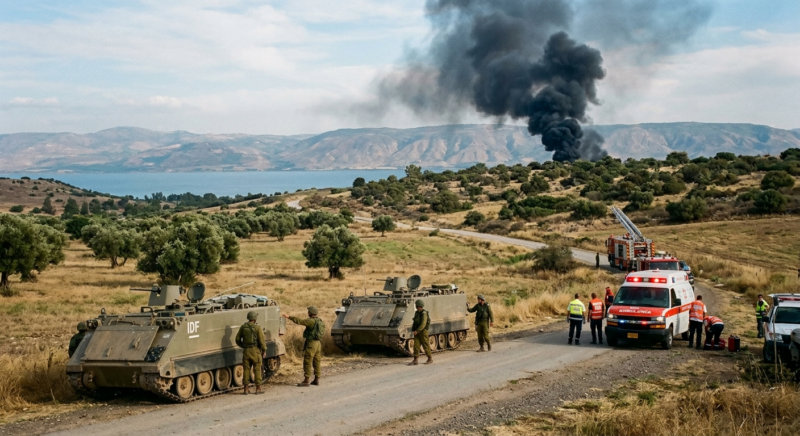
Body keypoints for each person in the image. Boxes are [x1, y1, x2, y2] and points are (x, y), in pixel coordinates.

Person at [283, 306, 325, 386]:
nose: (307, 313)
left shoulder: (311, 321)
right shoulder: (320, 321)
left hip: (311, 343)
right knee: (317, 361)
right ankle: (316, 379)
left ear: (311, 313)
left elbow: (300, 321)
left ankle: (306, 380)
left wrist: (289, 317)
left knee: (307, 361)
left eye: (308, 311)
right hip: (318, 343)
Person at [235, 311, 266, 394]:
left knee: (246, 370)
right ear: (255, 319)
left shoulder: (243, 327)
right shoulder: (257, 328)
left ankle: (246, 389)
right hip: (255, 351)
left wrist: (243, 346)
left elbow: (237, 339)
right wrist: (264, 350)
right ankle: (258, 388)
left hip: (246, 351)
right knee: (257, 370)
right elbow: (262, 341)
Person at [408, 299, 433, 365]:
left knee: (425, 344)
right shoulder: (417, 313)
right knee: (416, 345)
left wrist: (417, 330)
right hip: (417, 331)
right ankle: (415, 359)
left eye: (417, 306)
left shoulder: (424, 313)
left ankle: (430, 358)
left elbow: (423, 324)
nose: (416, 307)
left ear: (419, 306)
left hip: (423, 331)